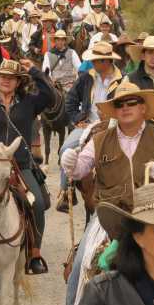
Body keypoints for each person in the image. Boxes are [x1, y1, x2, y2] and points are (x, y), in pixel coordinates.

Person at [59, 82, 154, 305]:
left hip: (153, 213)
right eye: (120, 104)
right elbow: (79, 171)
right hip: (110, 215)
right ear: (114, 110)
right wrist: (70, 162)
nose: (126, 108)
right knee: (80, 265)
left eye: (132, 103)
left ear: (143, 108)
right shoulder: (99, 139)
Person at [0, 59, 56, 275]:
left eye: (12, 77)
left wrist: (34, 71)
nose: (6, 80)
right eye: (2, 76)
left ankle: (34, 254)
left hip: (19, 165)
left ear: (18, 82)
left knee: (36, 203)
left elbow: (50, 96)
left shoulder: (29, 103)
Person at [55, 42, 123, 212]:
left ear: (106, 61)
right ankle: (66, 190)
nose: (93, 62)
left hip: (114, 126)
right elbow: (70, 100)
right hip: (88, 125)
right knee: (65, 148)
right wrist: (78, 119)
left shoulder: (123, 79)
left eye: (97, 60)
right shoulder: (86, 77)